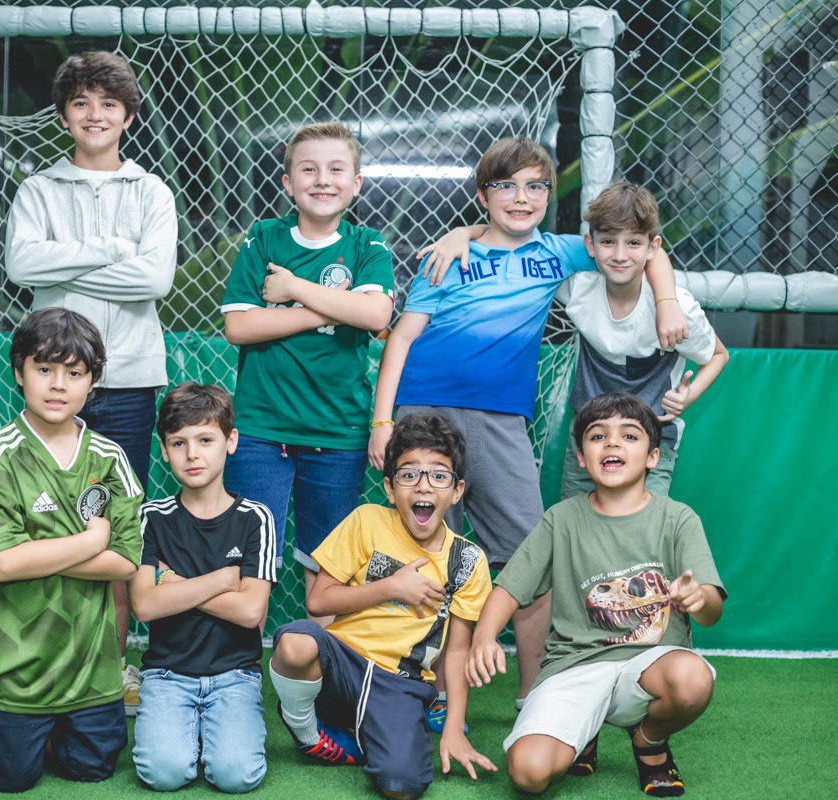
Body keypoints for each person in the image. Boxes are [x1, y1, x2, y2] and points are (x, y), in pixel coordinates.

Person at [368, 137, 687, 716]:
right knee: (426, 554)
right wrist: (383, 421)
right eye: (506, 186)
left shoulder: (561, 252)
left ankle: (537, 691)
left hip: (500, 421)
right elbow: (402, 338)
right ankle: (428, 687)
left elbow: (643, 246)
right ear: (483, 194)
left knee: (530, 556)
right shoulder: (448, 257)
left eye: (536, 186)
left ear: (548, 195)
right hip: (423, 412)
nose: (521, 197)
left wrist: (666, 301)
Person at [5, 51, 178, 713]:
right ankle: (47, 654)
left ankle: (112, 664)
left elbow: (154, 279)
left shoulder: (150, 191)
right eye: (81, 102)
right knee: (46, 514)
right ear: (63, 115)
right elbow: (23, 265)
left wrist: (64, 267)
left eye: (108, 103)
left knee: (115, 523)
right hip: (54, 377)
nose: (95, 114)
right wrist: (110, 253)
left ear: (128, 116)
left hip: (129, 382)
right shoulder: (38, 189)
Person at [466, 392, 725, 797]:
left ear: (653, 457)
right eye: (598, 435)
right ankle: (582, 732)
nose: (613, 442)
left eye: (629, 435)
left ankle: (649, 741)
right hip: (576, 666)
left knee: (692, 679)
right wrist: (483, 637)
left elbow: (711, 610)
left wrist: (699, 599)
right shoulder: (561, 519)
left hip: (650, 666)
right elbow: (509, 588)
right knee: (529, 773)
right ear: (582, 458)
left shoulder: (678, 518)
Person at [0, 307, 143, 792]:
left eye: (74, 373)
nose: (57, 385)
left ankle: (44, 730)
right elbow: (5, 564)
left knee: (91, 769)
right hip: (17, 661)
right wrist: (91, 540)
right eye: (44, 369)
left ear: (92, 382)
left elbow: (125, 561)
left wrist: (39, 552)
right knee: (7, 777)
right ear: (19, 372)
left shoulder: (109, 458)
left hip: (89, 665)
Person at [269, 414, 495, 799]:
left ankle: (364, 737)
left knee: (402, 786)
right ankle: (308, 731)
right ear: (390, 488)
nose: (423, 484)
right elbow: (318, 600)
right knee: (294, 643)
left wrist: (454, 727)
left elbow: (457, 651)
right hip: (342, 663)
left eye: (438, 475)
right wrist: (390, 587)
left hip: (400, 685)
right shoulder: (367, 521)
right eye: (409, 474)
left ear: (457, 490)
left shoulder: (468, 560)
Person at [220, 121, 394, 620]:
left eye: (336, 169)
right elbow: (239, 326)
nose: (322, 180)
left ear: (355, 183)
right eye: (309, 169)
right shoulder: (264, 238)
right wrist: (333, 308)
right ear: (288, 182)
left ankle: (317, 667)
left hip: (337, 432)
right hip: (260, 429)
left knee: (327, 570)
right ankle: (241, 665)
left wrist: (294, 289)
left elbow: (376, 315)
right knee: (250, 561)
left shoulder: (367, 245)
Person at [129, 382, 276, 793]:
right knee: (162, 774)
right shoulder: (152, 517)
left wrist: (173, 582)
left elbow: (250, 613)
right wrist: (224, 579)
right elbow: (144, 606)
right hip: (167, 674)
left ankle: (210, 730)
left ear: (231, 441)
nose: (192, 454)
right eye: (179, 443)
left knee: (237, 776)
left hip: (235, 675)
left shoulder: (256, 518)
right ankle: (185, 730)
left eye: (205, 440)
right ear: (164, 450)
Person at [557, 182, 728, 499]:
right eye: (608, 241)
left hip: (651, 440)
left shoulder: (676, 309)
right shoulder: (577, 289)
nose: (620, 255)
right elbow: (520, 248)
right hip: (589, 437)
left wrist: (688, 397)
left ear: (652, 247)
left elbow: (718, 355)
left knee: (643, 525)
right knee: (575, 523)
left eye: (633, 242)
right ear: (590, 245)